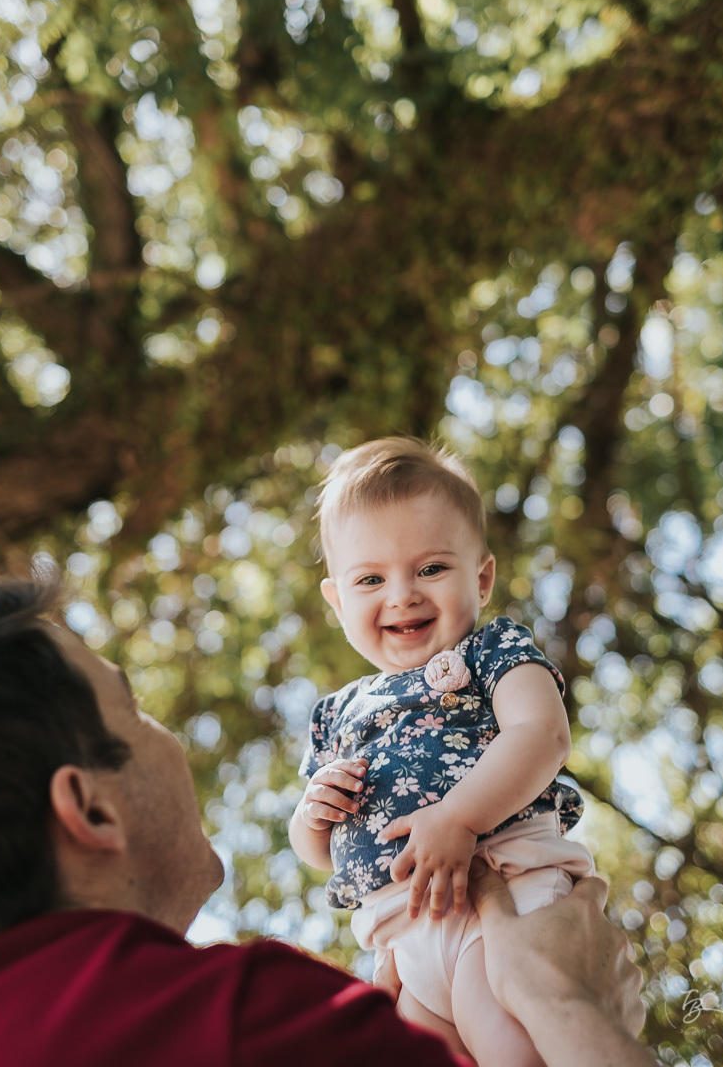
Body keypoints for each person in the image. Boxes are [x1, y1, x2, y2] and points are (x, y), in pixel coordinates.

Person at [0, 572, 651, 1067]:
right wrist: (571, 1013)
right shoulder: (251, 1022)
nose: (168, 737)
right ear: (90, 809)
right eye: (132, 710)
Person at [289, 438, 598, 1066]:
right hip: (404, 938)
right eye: (371, 578)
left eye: (430, 569)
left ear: (480, 577)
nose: (401, 594)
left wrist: (457, 818)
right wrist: (311, 817)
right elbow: (318, 854)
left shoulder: (494, 651)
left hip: (503, 895)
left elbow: (543, 735)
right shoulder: (336, 713)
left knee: (514, 1048)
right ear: (337, 600)